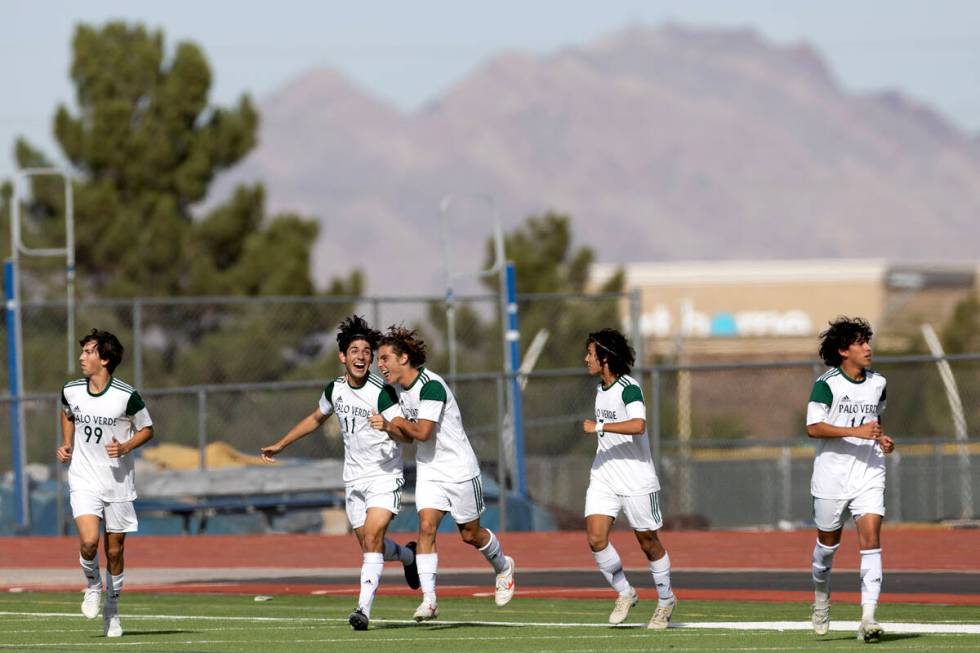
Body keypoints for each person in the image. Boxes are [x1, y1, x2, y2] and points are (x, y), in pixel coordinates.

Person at [260, 315, 419, 631]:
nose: (361, 356)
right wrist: (281, 444)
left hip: (384, 475)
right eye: (355, 350)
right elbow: (315, 419)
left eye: (366, 351)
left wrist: (389, 427)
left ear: (371, 358)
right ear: (343, 357)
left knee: (373, 538)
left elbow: (407, 435)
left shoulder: (382, 393)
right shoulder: (334, 389)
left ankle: (363, 610)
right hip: (354, 479)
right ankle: (407, 557)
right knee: (369, 545)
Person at [370, 325, 515, 622]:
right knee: (425, 528)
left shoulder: (431, 386)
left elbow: (422, 432)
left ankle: (503, 567)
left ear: (405, 358)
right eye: (378, 360)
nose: (380, 365)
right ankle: (430, 600)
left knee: (469, 535)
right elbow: (407, 438)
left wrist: (390, 425)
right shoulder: (390, 393)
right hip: (430, 470)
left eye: (385, 358)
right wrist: (389, 426)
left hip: (459, 470)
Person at [57, 329, 154, 638]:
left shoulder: (126, 395)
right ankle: (92, 586)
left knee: (114, 552)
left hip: (118, 481)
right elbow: (67, 412)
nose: (82, 357)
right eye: (83, 351)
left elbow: (147, 428)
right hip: (84, 478)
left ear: (105, 359)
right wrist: (67, 443)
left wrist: (126, 447)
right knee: (88, 542)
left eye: (89, 352)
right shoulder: (72, 389)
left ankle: (112, 610)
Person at [806, 317, 894, 643]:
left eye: (868, 341)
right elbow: (814, 428)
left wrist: (881, 439)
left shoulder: (879, 382)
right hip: (832, 475)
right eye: (860, 343)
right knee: (827, 548)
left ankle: (868, 618)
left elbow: (875, 420)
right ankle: (820, 593)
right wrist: (855, 431)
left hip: (869, 470)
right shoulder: (826, 384)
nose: (868, 348)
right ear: (844, 350)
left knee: (871, 539)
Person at [581, 328, 676, 630]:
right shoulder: (600, 388)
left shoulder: (629, 388)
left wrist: (599, 427)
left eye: (590, 354)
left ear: (605, 357)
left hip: (636, 478)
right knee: (596, 538)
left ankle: (665, 600)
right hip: (604, 474)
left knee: (648, 542)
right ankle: (625, 592)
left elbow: (638, 424)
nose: (586, 359)